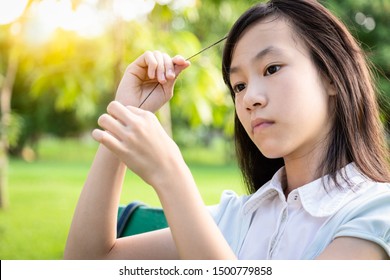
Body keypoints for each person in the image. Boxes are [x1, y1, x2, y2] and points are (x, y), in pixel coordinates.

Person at [64, 0, 390, 260]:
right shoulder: (238, 217)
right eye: (239, 85)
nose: (250, 98)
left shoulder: (377, 211)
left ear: (332, 75)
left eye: (272, 68)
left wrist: (171, 176)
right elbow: (88, 262)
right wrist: (125, 116)